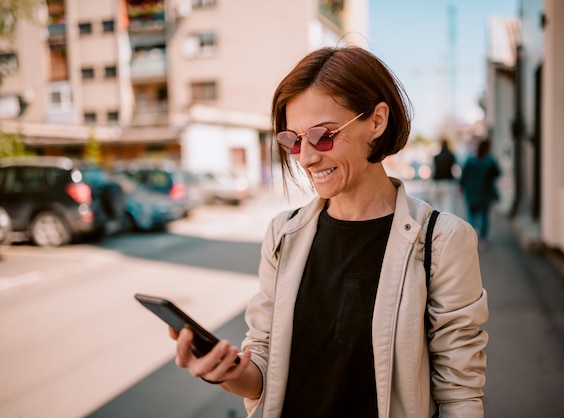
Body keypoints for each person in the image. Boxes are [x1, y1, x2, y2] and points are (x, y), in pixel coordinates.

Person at [169, 46, 489, 418]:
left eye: (323, 135)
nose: (306, 157)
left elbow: (460, 396)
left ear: (377, 121)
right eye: (293, 140)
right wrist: (227, 373)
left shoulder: (441, 240)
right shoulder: (283, 234)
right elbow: (263, 370)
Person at [460, 139, 501, 250]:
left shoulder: (470, 160)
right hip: (484, 193)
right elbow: (497, 173)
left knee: (471, 214)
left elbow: (464, 176)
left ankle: (473, 232)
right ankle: (482, 238)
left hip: (471, 192)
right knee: (484, 216)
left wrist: (461, 187)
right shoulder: (490, 161)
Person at [430, 138, 457, 213]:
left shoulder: (436, 157)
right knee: (448, 206)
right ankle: (447, 223)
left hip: (438, 183)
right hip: (448, 182)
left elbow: (433, 170)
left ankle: (438, 223)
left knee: (437, 206)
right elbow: (455, 170)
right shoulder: (451, 156)